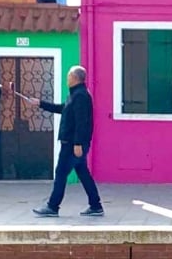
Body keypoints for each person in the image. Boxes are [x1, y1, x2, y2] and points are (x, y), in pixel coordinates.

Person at [7, 65, 103, 218]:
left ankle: (53, 206)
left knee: (60, 173)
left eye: (69, 76)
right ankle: (96, 205)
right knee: (83, 173)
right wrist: (40, 103)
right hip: (73, 143)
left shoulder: (81, 96)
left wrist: (78, 143)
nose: (67, 79)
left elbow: (82, 122)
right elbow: (63, 108)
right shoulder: (75, 94)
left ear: (75, 78)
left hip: (72, 144)